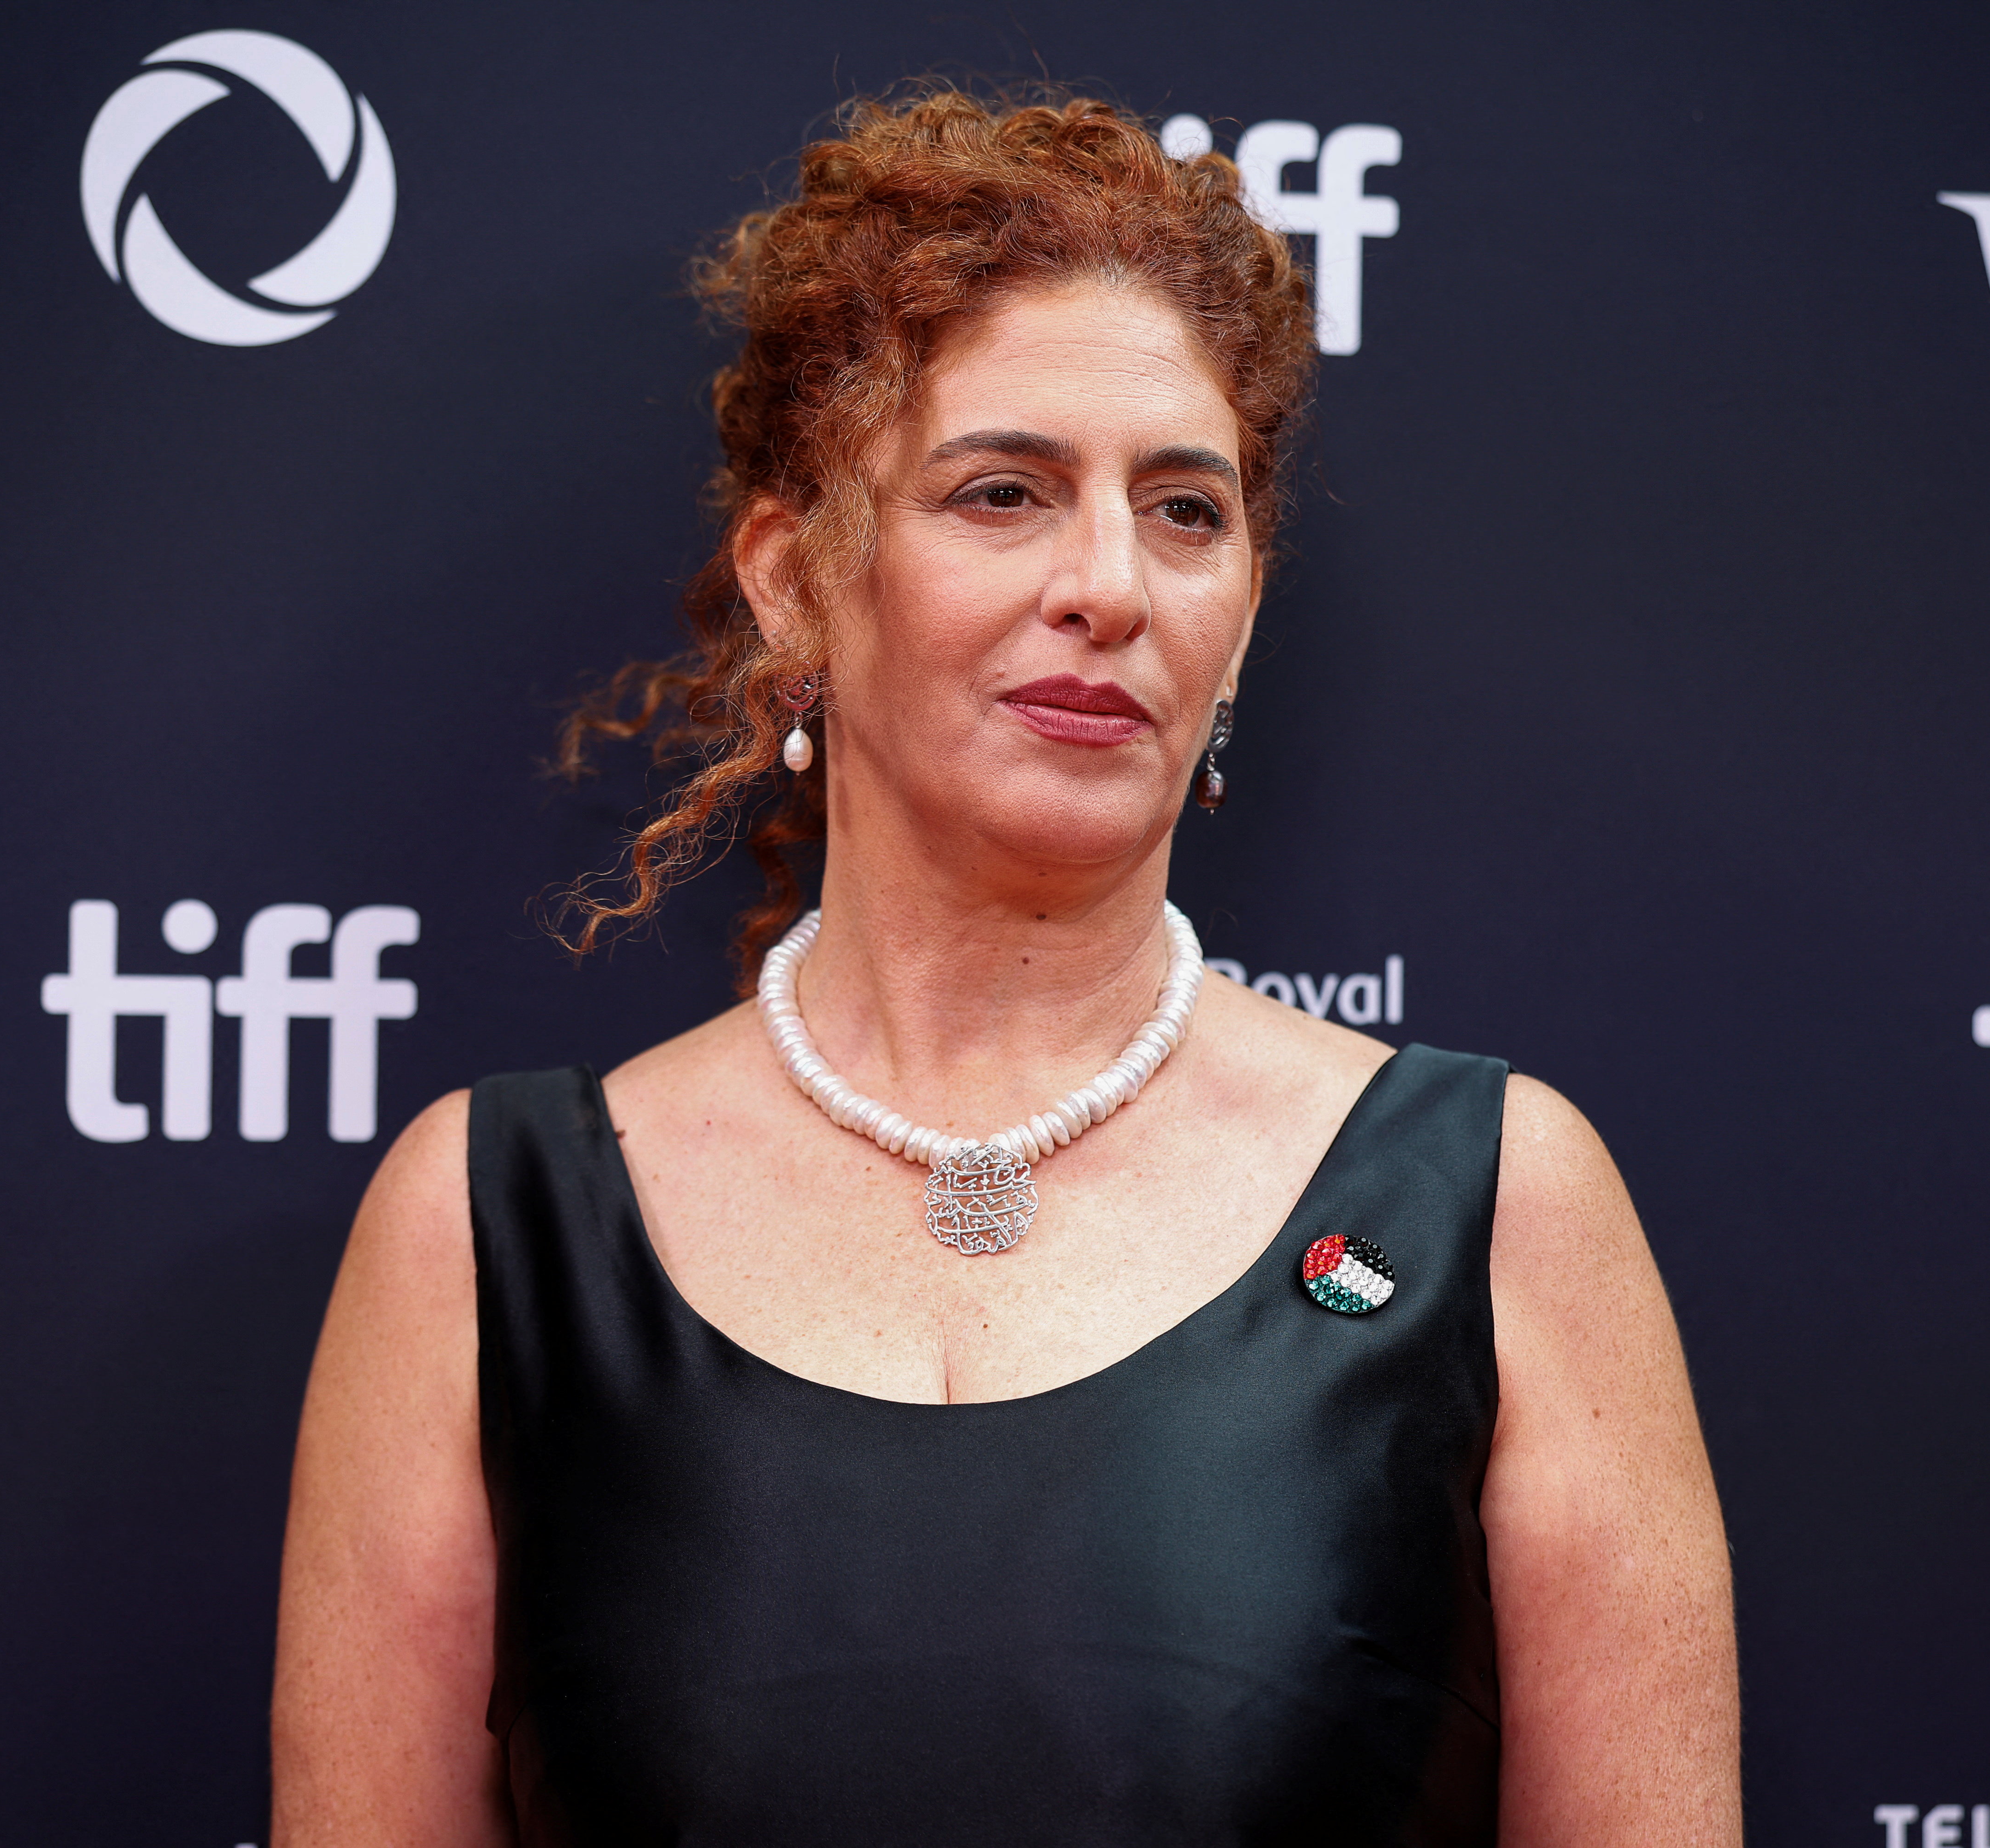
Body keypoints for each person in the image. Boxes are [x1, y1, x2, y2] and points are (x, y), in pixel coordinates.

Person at [270, 88, 1737, 1846]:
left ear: (1247, 617)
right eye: (1001, 491)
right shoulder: (482, 1227)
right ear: (799, 584)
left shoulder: (1500, 1205)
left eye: (1186, 511)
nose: (1110, 584)